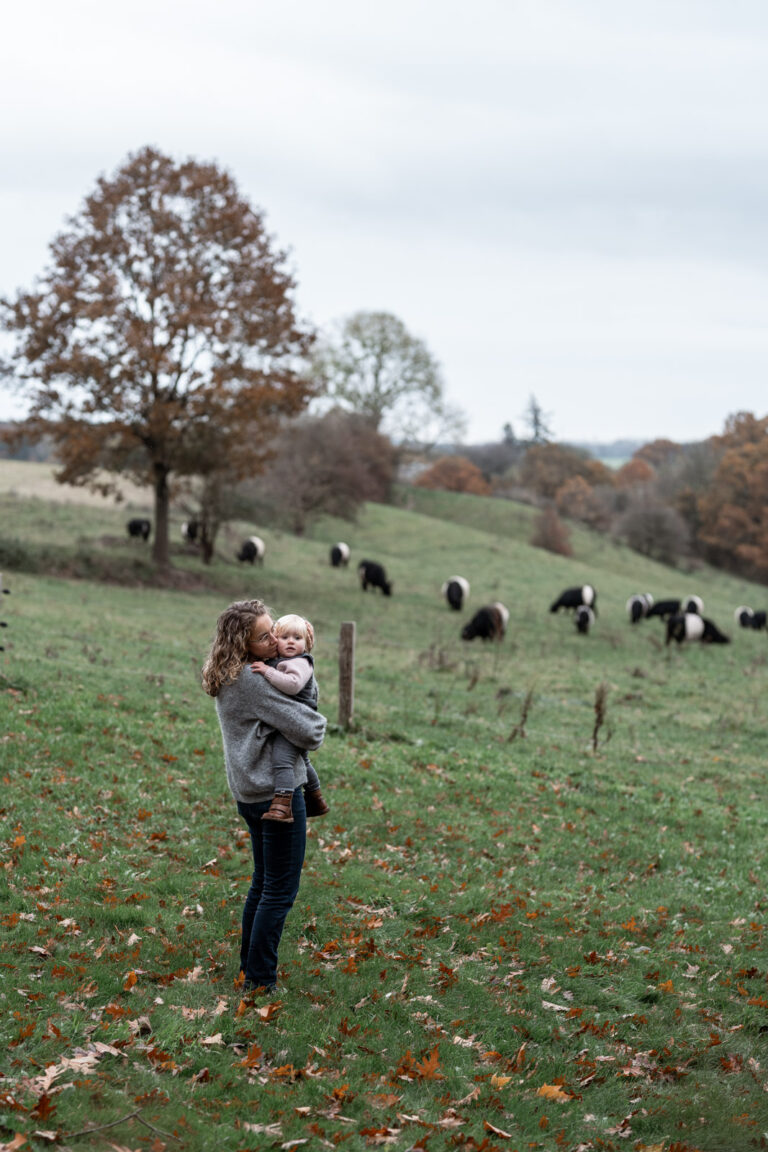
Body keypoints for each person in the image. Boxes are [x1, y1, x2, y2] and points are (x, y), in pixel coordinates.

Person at [201, 599, 327, 995]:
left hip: (250, 792)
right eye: (264, 636)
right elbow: (312, 730)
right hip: (277, 797)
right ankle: (259, 981)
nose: (275, 640)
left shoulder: (232, 674)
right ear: (244, 643)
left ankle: (250, 969)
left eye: (274, 629)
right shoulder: (253, 681)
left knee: (263, 882)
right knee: (279, 889)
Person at [249, 613, 330, 824]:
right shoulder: (283, 660)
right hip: (289, 718)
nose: (291, 642)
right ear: (276, 640)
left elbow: (293, 685)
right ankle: (315, 797)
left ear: (307, 643)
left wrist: (267, 671)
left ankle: (283, 804)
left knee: (282, 760)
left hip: (297, 721)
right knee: (301, 760)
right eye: (285, 637)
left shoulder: (301, 663)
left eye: (297, 638)